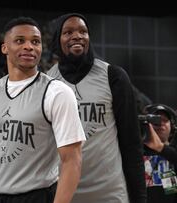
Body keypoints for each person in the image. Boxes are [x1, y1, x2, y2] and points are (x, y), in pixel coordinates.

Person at [0, 16, 86, 203]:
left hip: (37, 195)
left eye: (35, 42)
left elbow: (72, 161)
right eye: (20, 41)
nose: (29, 46)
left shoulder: (57, 92)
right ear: (4, 47)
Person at [47, 13, 146, 203]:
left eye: (83, 31)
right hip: (64, 194)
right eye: (68, 32)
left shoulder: (113, 76)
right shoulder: (47, 83)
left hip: (109, 194)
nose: (77, 36)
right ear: (57, 40)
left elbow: (131, 144)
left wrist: (139, 198)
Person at [143, 104, 177, 203]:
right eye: (156, 120)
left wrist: (161, 147)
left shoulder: (173, 152)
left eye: (165, 120)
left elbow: (170, 191)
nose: (160, 123)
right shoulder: (136, 150)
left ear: (172, 127)